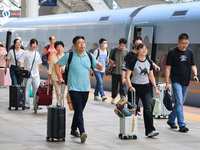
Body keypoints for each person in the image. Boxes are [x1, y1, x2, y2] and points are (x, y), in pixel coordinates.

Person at [55, 36, 103, 143]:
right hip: (73, 88)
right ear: (74, 45)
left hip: (86, 88)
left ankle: (73, 129)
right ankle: (82, 132)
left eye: (83, 42)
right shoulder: (69, 56)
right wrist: (59, 77)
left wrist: (99, 66)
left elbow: (97, 66)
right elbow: (57, 65)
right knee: (78, 110)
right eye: (79, 43)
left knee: (79, 110)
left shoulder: (89, 56)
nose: (82, 44)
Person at [165, 33, 199, 132]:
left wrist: (195, 75)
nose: (184, 45)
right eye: (182, 43)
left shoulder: (190, 52)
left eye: (186, 43)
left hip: (186, 81)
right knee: (179, 102)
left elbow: (193, 65)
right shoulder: (172, 52)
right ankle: (182, 124)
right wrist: (167, 82)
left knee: (180, 102)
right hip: (176, 81)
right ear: (178, 42)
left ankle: (171, 119)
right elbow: (168, 68)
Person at [126, 43, 160, 137]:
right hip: (134, 89)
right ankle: (130, 131)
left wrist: (155, 88)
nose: (144, 50)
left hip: (146, 88)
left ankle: (150, 131)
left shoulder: (149, 62)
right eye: (142, 48)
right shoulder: (133, 61)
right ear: (137, 50)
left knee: (148, 109)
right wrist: (130, 86)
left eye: (146, 49)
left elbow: (151, 76)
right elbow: (127, 76)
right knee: (132, 110)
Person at [121, 37, 160, 115]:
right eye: (139, 45)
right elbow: (124, 67)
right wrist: (124, 79)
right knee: (132, 106)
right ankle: (132, 123)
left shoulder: (146, 58)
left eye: (142, 45)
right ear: (134, 45)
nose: (143, 48)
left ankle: (149, 126)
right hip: (133, 81)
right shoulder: (130, 55)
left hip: (145, 84)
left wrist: (155, 66)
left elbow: (150, 63)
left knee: (148, 107)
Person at [19, 38, 42, 110]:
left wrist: (38, 75)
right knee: (26, 89)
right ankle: (26, 104)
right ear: (30, 44)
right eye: (33, 44)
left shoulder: (37, 53)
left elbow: (38, 64)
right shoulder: (25, 53)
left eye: (36, 44)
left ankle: (36, 104)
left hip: (35, 74)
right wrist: (21, 66)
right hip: (27, 74)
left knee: (36, 89)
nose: (34, 45)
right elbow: (21, 61)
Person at [109, 38, 128, 104]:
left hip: (123, 73)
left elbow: (127, 62)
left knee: (123, 87)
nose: (121, 47)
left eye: (123, 46)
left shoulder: (126, 51)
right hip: (115, 72)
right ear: (119, 44)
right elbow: (109, 59)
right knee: (114, 86)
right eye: (120, 45)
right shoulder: (114, 50)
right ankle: (113, 97)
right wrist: (111, 63)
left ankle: (123, 99)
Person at [47, 41, 65, 106]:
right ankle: (59, 104)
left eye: (61, 46)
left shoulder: (65, 57)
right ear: (55, 48)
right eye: (57, 47)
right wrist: (48, 80)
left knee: (62, 92)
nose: (59, 48)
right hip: (55, 77)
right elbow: (50, 69)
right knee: (58, 92)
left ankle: (59, 103)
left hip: (64, 77)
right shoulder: (53, 58)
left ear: (63, 48)